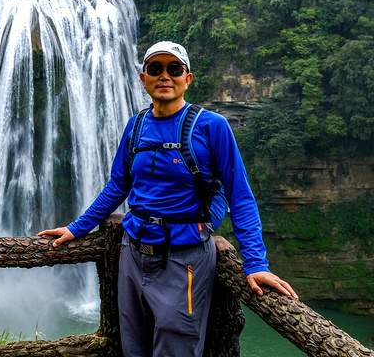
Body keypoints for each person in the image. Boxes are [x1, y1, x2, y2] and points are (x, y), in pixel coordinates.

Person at [38, 41, 297, 357]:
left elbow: (239, 196)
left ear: (188, 79)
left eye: (174, 69)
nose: (165, 76)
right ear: (143, 77)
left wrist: (255, 263)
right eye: (155, 69)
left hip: (184, 257)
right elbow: (117, 186)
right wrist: (77, 228)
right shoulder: (135, 127)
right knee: (133, 346)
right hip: (133, 253)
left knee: (177, 348)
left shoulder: (212, 126)